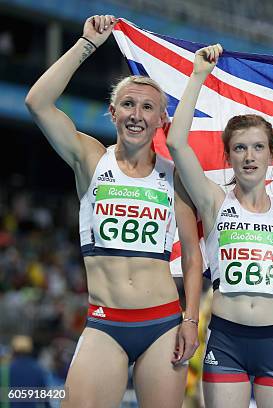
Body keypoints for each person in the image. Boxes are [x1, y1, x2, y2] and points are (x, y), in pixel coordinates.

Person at [25, 15, 203, 408]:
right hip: (105, 322)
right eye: (128, 104)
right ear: (113, 112)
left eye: (147, 107)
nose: (137, 114)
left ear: (161, 120)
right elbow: (37, 102)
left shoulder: (174, 177)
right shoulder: (89, 158)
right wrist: (87, 44)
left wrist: (191, 320)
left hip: (163, 324)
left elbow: (192, 257)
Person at [165, 45, 273, 408]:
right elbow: (176, 142)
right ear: (228, 156)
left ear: (272, 154)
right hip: (226, 340)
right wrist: (198, 76)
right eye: (240, 148)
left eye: (257, 147)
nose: (249, 156)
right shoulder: (213, 201)